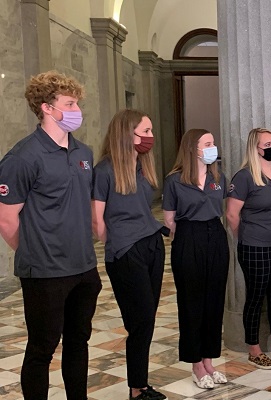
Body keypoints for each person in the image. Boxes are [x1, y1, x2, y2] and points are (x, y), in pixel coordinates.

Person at [0, 71, 102, 400]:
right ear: (47, 107)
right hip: (45, 273)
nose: (76, 110)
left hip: (83, 267)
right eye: (69, 103)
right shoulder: (23, 157)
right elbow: (6, 219)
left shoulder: (84, 153)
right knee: (42, 349)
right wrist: (35, 250)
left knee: (78, 342)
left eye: (77, 103)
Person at [92, 109, 167, 400]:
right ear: (127, 134)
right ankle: (137, 389)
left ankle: (141, 384)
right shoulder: (104, 170)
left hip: (152, 243)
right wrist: (120, 241)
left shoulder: (142, 166)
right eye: (145, 131)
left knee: (147, 318)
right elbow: (96, 220)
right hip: (125, 250)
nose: (150, 137)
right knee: (140, 319)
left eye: (150, 131)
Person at [162, 129, 229, 388]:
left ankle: (209, 360)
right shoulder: (175, 181)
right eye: (208, 143)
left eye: (213, 143)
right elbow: (169, 219)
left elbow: (220, 208)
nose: (213, 147)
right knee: (192, 303)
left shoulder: (218, 177)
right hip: (189, 236)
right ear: (193, 148)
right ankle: (196, 365)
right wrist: (190, 238)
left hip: (216, 235)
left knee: (214, 301)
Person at [226, 128, 271, 369]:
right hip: (255, 246)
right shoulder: (244, 177)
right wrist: (245, 237)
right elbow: (232, 215)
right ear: (255, 148)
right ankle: (254, 349)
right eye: (267, 143)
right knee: (256, 297)